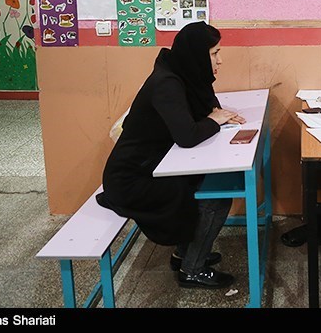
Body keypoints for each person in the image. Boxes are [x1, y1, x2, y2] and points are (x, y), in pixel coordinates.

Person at [96, 21, 246, 289]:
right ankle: (192, 269)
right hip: (133, 180)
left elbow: (206, 104)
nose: (220, 60)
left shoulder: (182, 72)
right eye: (214, 53)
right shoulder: (166, 83)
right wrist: (214, 120)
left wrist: (217, 115)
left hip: (154, 165)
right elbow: (187, 136)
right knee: (216, 197)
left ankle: (185, 253)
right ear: (196, 55)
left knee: (205, 183)